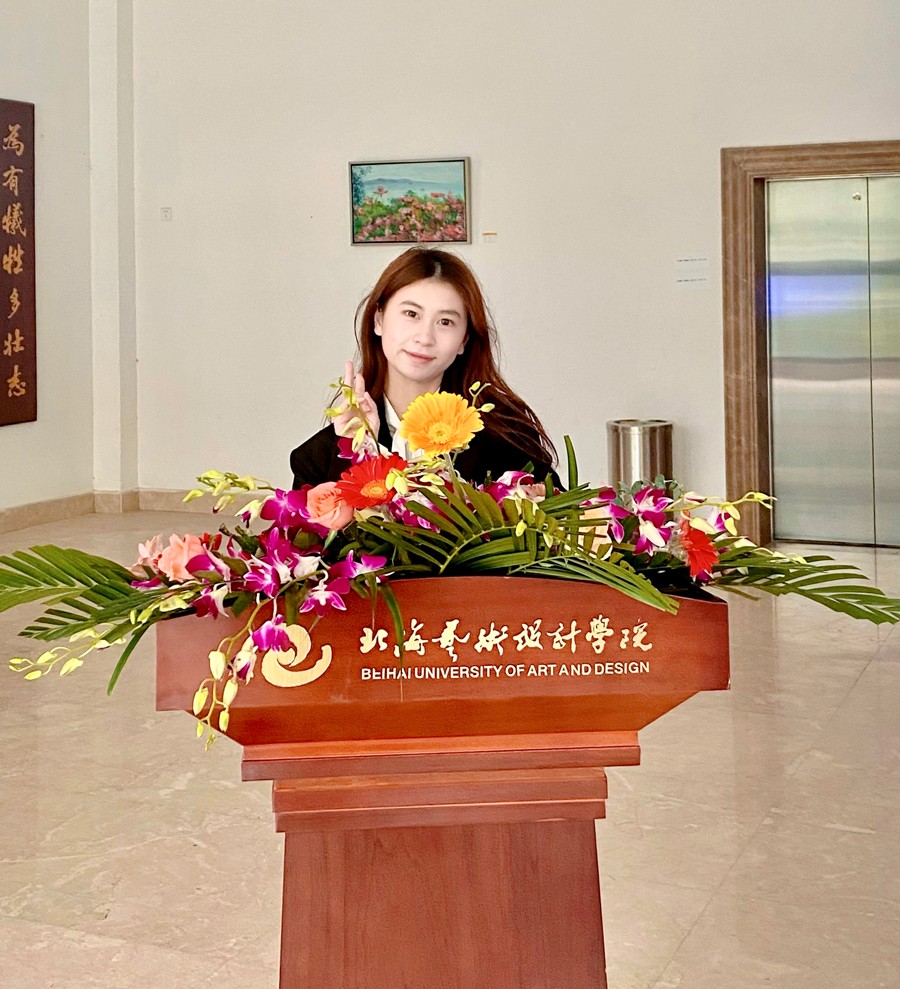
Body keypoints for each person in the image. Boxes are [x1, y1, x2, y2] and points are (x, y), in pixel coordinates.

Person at [290, 247, 558, 489]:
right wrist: (359, 450)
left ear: (464, 339)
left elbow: (559, 519)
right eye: (411, 314)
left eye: (445, 322)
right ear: (378, 320)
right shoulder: (316, 459)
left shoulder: (507, 440)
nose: (425, 337)